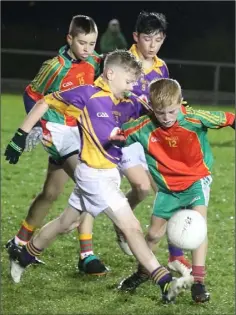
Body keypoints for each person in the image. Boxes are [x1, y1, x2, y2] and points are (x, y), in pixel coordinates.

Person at [4, 50, 193, 303]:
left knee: (66, 223)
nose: (131, 87)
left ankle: (24, 256)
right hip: (92, 176)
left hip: (109, 175)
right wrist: (20, 135)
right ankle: (164, 282)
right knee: (132, 227)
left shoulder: (130, 101)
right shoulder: (88, 94)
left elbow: (158, 114)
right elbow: (44, 102)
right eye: (128, 81)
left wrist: (178, 111)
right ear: (111, 73)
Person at [6, 14, 108, 275]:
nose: (88, 49)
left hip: (80, 134)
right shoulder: (54, 66)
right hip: (57, 132)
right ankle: (86, 254)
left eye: (92, 43)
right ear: (69, 39)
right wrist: (35, 128)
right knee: (90, 185)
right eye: (82, 43)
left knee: (51, 193)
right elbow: (32, 95)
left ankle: (19, 242)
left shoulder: (97, 63)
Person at [118, 78, 235, 302]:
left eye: (172, 111)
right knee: (152, 234)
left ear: (181, 103)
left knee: (198, 228)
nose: (167, 118)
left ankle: (198, 282)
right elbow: (114, 136)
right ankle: (144, 271)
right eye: (161, 113)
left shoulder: (194, 118)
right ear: (152, 108)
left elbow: (230, 118)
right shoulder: (143, 126)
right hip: (167, 189)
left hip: (195, 182)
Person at [116, 10, 191, 277]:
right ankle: (92, 245)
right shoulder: (121, 63)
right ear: (136, 37)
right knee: (141, 188)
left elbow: (166, 99)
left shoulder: (161, 67)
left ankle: (176, 255)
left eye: (158, 40)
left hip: (151, 136)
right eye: (148, 39)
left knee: (168, 190)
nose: (152, 45)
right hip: (122, 136)